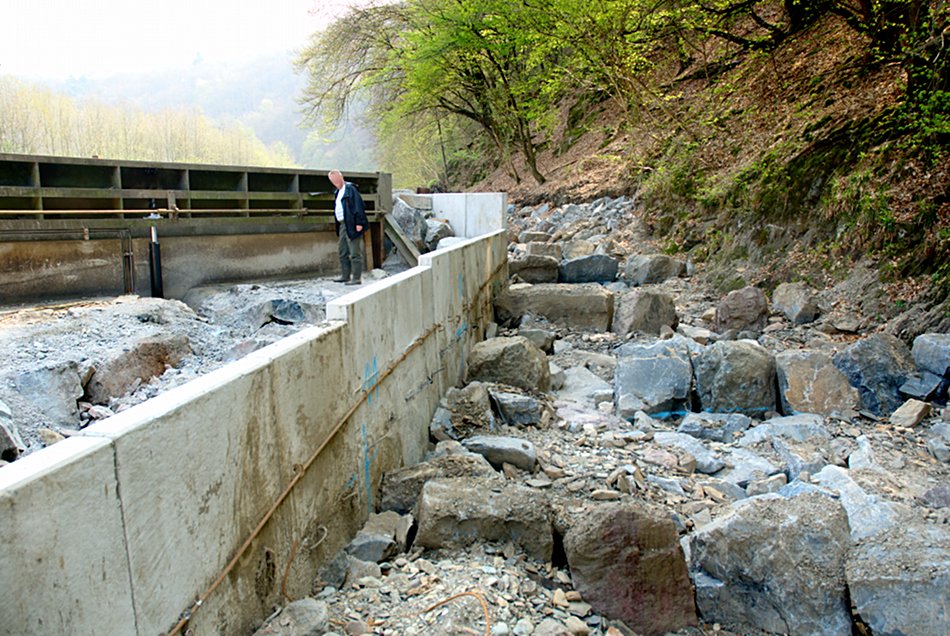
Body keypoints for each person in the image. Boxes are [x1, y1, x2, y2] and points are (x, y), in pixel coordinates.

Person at [328, 169, 369, 285]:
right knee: (342, 251)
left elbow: (358, 206)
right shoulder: (337, 192)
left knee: (355, 251)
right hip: (342, 224)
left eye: (336, 179)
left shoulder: (350, 189)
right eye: (332, 180)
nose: (335, 182)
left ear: (341, 177)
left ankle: (356, 278)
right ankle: (345, 276)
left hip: (351, 224)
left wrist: (359, 223)